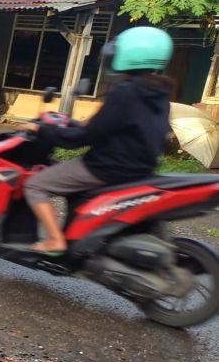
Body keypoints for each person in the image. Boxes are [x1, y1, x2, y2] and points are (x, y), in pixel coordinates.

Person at [21, 25, 174, 255]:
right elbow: (126, 126)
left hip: (107, 167)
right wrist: (83, 124)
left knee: (35, 184)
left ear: (129, 55)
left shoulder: (126, 92)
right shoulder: (160, 94)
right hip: (141, 169)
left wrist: (43, 131)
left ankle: (55, 240)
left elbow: (83, 138)